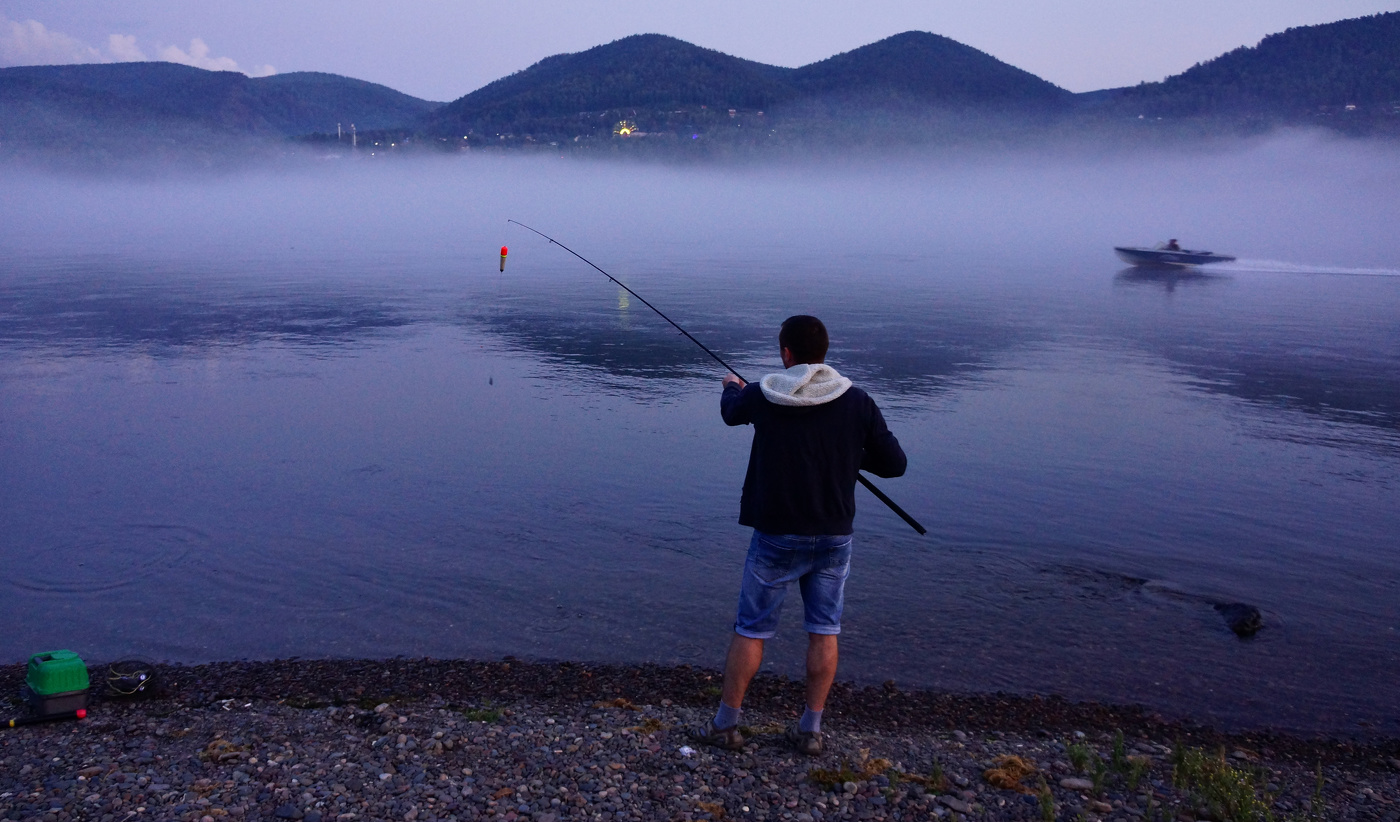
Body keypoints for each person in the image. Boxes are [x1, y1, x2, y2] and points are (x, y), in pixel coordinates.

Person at [691, 315, 907, 756]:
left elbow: (732, 414)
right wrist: (847, 453)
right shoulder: (857, 401)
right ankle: (810, 731)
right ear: (824, 352)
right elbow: (894, 463)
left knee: (751, 629)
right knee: (824, 630)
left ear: (786, 353)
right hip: (833, 536)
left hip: (776, 534)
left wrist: (731, 385)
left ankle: (726, 725)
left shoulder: (765, 393)